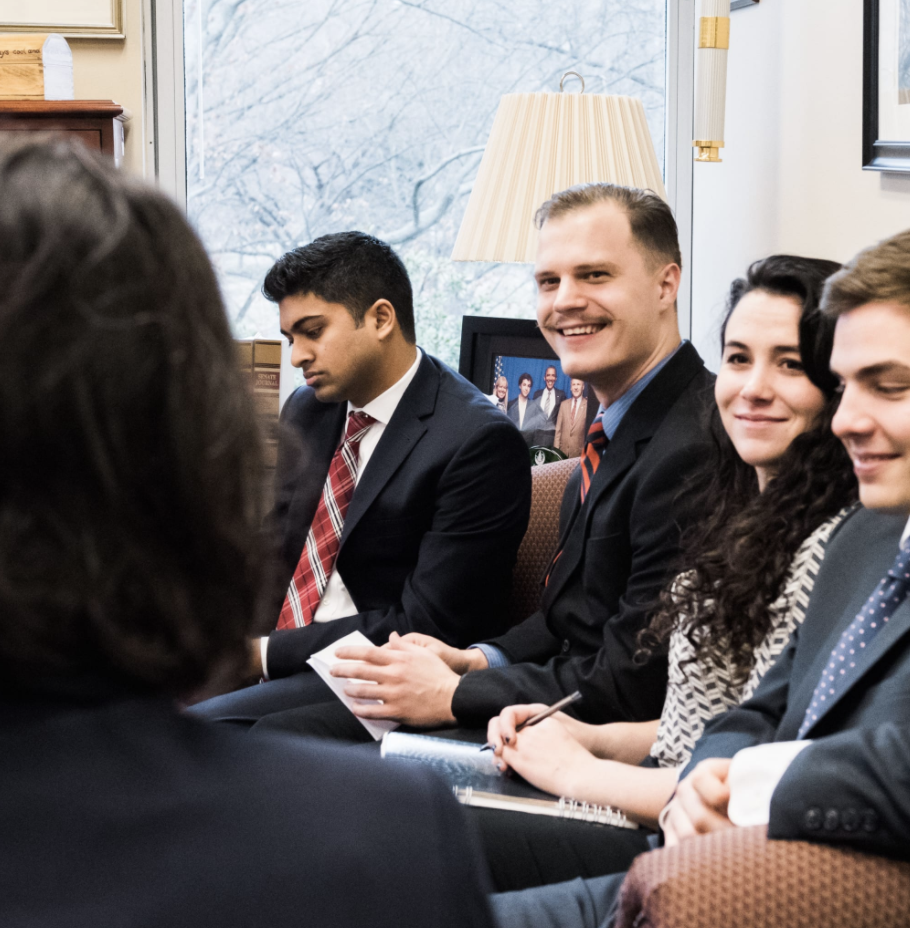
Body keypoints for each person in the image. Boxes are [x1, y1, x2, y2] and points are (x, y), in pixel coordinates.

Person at [0, 134, 495, 928]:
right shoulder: (375, 849)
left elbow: (429, 617)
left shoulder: (466, 435)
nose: (299, 355)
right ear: (191, 463)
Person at [495, 217, 910, 928]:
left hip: (776, 898)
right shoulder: (869, 535)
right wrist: (711, 778)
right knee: (395, 860)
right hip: (688, 870)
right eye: (844, 385)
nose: (845, 421)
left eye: (887, 387)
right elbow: (761, 709)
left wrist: (743, 783)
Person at [251, 182, 716, 742]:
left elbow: (630, 682)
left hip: (598, 748)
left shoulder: (695, 445)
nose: (564, 300)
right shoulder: (613, 437)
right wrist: (477, 660)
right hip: (519, 701)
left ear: (667, 284)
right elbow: (564, 621)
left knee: (234, 749)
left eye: (595, 275)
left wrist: (455, 694)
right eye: (548, 281)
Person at [475, 254, 856, 891]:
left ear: (842, 385)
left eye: (789, 364)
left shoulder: (832, 548)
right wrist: (585, 734)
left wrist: (576, 771)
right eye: (738, 358)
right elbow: (700, 724)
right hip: (643, 788)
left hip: (682, 843)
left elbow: (750, 777)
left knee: (401, 826)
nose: (752, 387)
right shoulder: (749, 514)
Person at [188, 232, 530, 724]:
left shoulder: (477, 442)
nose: (297, 356)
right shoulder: (309, 409)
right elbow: (272, 550)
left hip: (377, 678)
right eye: (289, 339)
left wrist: (260, 654)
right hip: (280, 651)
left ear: (381, 319)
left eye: (312, 331)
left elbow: (423, 625)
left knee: (206, 733)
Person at [554, 377, 591, 457]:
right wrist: (556, 452)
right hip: (562, 453)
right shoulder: (563, 405)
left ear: (583, 387)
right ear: (570, 387)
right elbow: (558, 430)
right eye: (573, 384)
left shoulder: (588, 406)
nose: (576, 387)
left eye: (578, 384)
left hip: (579, 454)